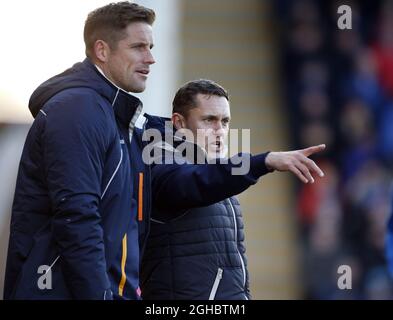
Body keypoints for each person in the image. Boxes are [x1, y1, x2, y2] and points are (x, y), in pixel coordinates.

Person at [4, 1, 155, 300]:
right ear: (102, 51)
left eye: (151, 47)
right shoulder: (78, 110)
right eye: (138, 47)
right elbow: (77, 219)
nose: (150, 58)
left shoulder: (110, 114)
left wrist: (254, 164)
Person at [140, 79, 325, 300]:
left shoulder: (213, 170)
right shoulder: (158, 161)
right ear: (179, 122)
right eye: (209, 120)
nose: (220, 131)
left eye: (225, 121)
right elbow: (195, 182)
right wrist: (263, 161)